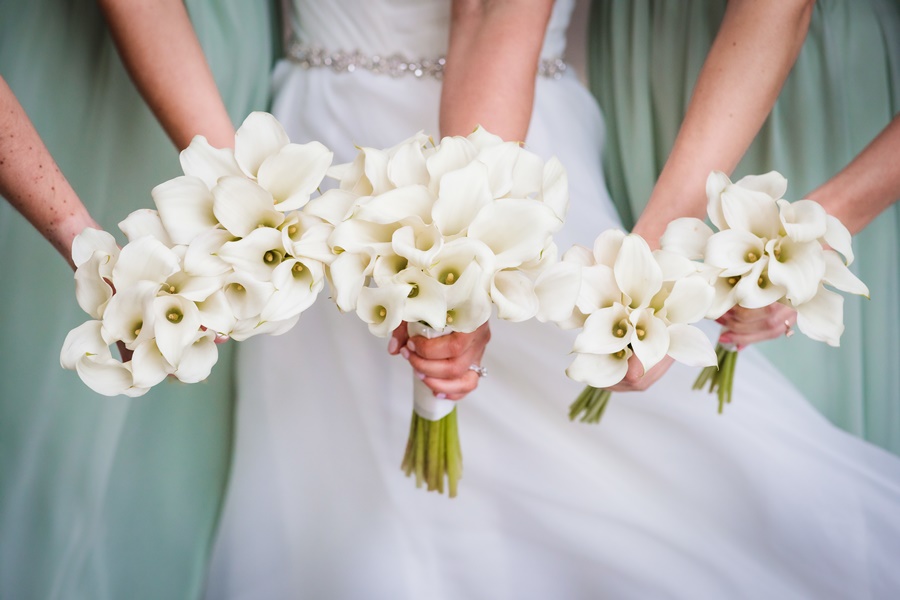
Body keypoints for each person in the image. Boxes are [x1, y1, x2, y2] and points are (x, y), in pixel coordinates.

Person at [196, 1, 900, 598]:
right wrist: (458, 268)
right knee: (345, 491)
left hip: (511, 146)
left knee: (683, 473)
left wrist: (467, 255)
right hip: (321, 152)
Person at [0, 1, 276, 597]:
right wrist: (88, 247)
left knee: (169, 464)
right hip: (81, 75)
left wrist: (236, 195)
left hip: (225, 71)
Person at [588, 0, 900, 453]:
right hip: (645, 54)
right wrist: (657, 245)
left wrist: (809, 236)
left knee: (788, 430)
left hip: (806, 73)